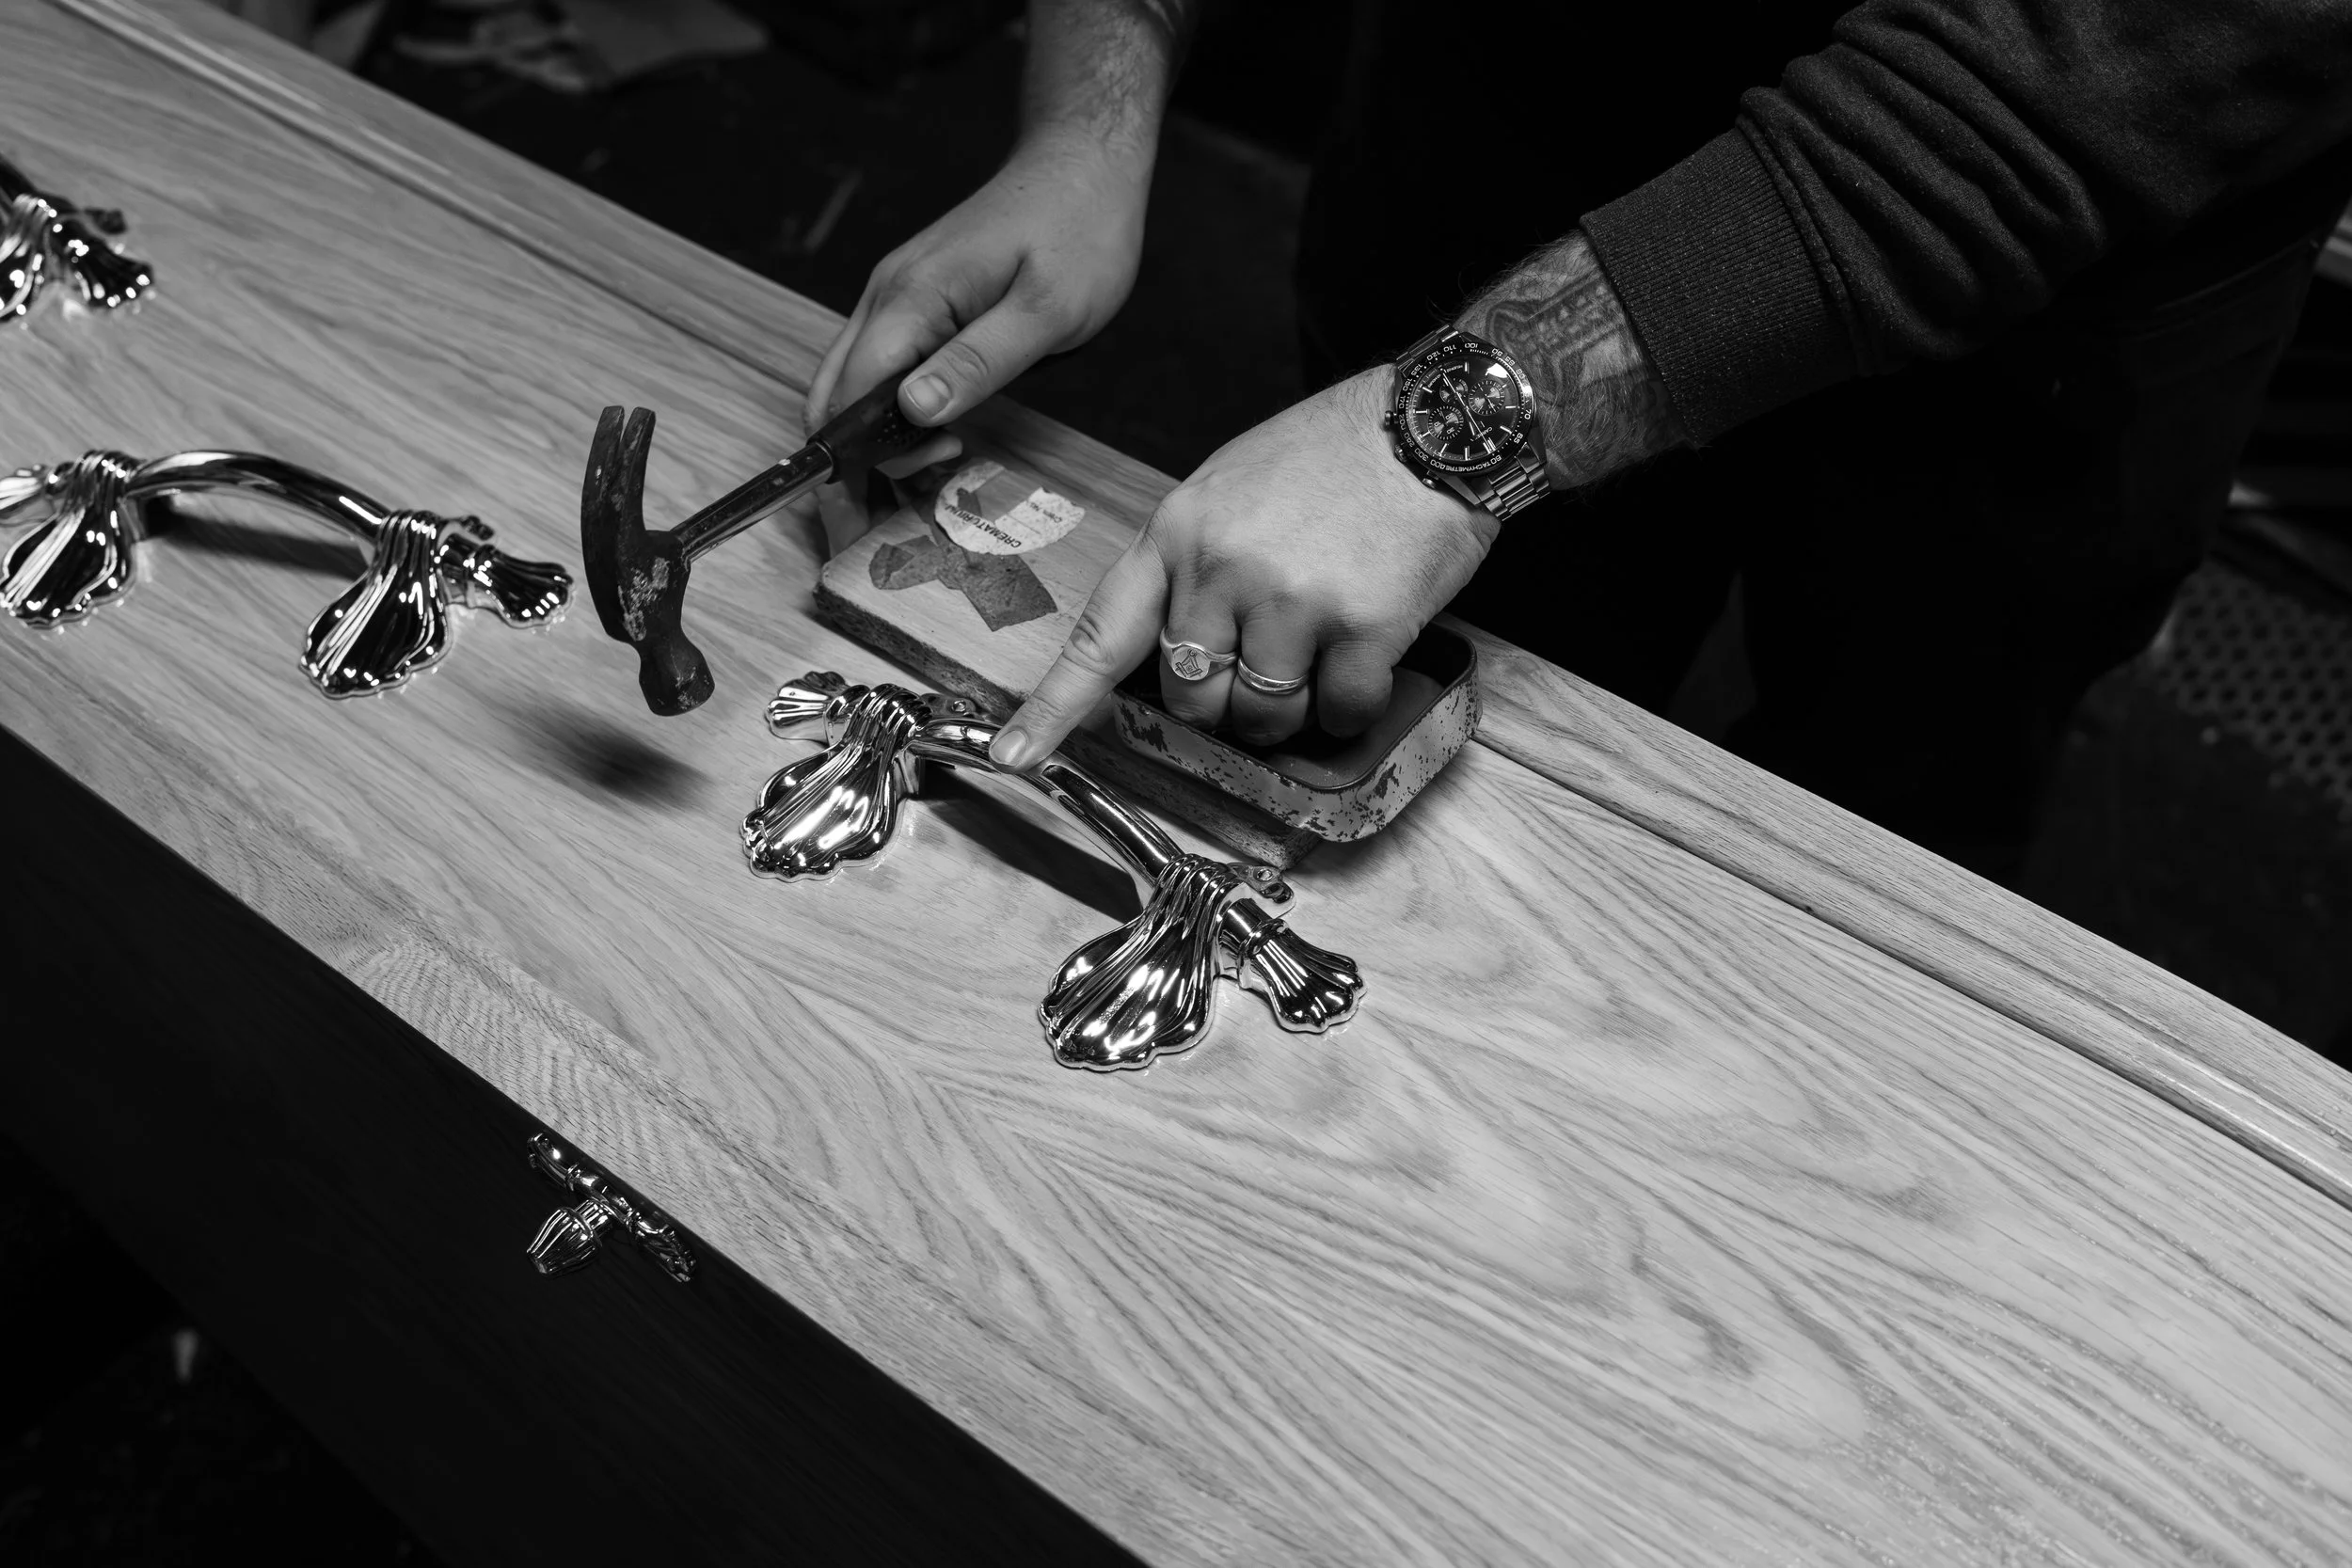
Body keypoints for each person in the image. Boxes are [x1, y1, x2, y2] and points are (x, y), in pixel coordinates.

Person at [806, 0, 2352, 879]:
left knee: (1874, 823)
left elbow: (2085, 67)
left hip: (2059, 263)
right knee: (1404, 765)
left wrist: (1438, 435)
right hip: (1524, 102)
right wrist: (1095, 104)